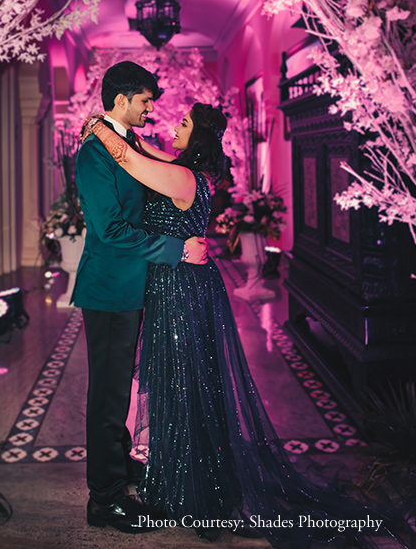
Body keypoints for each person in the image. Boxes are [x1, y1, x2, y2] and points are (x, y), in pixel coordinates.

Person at [82, 102, 411, 548]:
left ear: (197, 138)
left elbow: (130, 161)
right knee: (179, 383)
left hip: (181, 291)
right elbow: (147, 151)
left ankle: (193, 489)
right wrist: (134, 138)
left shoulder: (183, 178)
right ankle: (185, 475)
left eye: (183, 124)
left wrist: (98, 127)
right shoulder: (188, 171)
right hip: (177, 287)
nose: (173, 128)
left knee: (184, 384)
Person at [71, 62, 208, 535]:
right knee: (108, 394)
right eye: (145, 99)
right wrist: (177, 250)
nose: (152, 107)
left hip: (131, 286)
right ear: (121, 99)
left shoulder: (126, 143)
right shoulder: (94, 153)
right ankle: (104, 499)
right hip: (109, 288)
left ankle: (117, 465)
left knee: (118, 390)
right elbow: (110, 230)